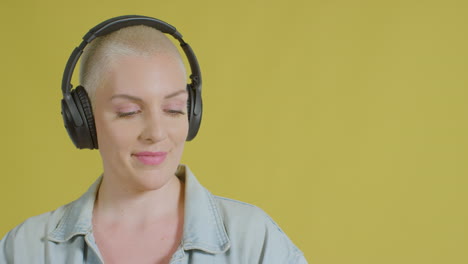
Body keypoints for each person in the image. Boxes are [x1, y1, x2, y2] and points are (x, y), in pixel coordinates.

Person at [0, 15, 307, 264]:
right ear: (84, 121)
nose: (157, 133)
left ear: (192, 112)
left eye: (174, 109)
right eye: (129, 111)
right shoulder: (25, 249)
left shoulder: (255, 241)